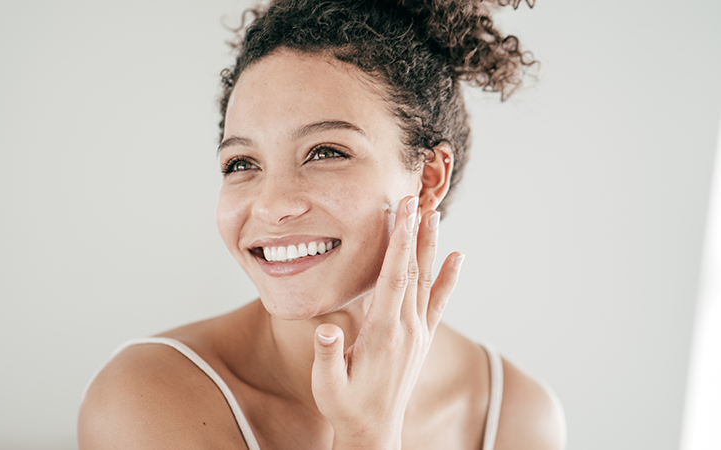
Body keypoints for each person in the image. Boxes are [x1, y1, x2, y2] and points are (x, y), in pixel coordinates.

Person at [78, 0, 566, 448]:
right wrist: (366, 434)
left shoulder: (519, 417)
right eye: (241, 163)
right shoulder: (143, 399)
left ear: (428, 178)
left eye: (326, 152)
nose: (272, 206)